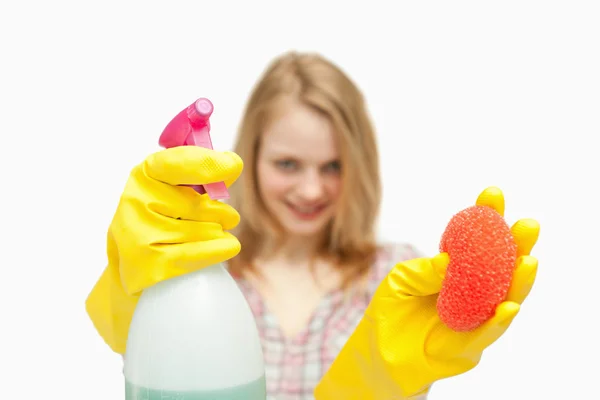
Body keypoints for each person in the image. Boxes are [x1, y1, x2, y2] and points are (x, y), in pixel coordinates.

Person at [85, 51, 540, 400]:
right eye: (288, 163)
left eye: (332, 166)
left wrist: (378, 380)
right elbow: (125, 340)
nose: (310, 189)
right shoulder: (197, 272)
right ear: (252, 155)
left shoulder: (403, 280)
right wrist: (132, 280)